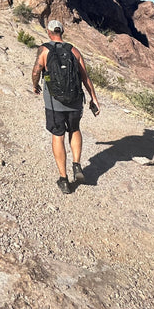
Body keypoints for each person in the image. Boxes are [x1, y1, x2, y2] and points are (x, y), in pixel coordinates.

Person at [32, 20, 100, 194]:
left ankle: (64, 180)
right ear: (62, 32)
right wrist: (94, 98)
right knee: (75, 129)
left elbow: (36, 71)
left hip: (55, 102)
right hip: (75, 99)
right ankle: (76, 165)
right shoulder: (73, 50)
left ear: (49, 32)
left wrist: (35, 85)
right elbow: (85, 77)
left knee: (58, 135)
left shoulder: (44, 50)